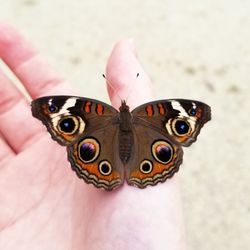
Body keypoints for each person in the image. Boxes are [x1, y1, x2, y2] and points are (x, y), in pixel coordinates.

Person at [0, 23, 186, 250]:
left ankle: (115, 170)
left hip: (103, 145)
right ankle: (138, 168)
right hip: (142, 145)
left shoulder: (95, 112)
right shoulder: (151, 113)